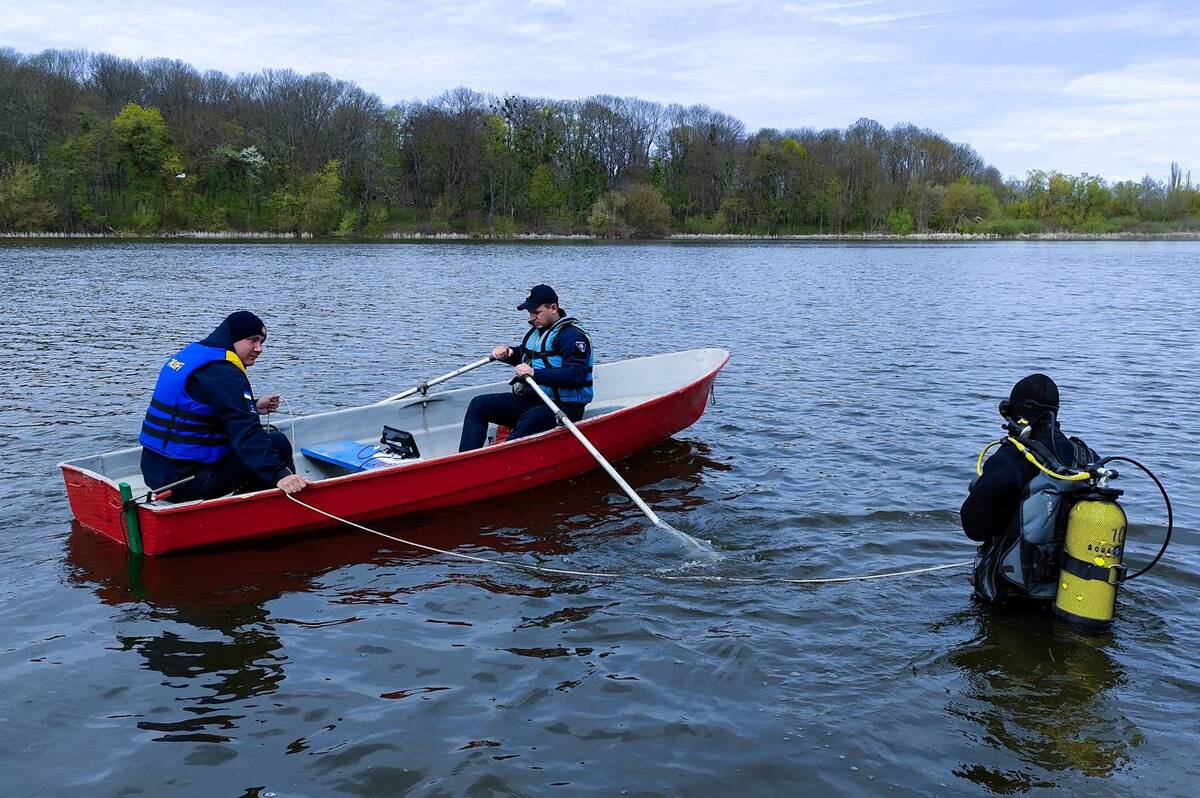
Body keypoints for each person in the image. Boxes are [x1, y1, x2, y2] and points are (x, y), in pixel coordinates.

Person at [139, 311, 310, 502]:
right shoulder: (225, 373)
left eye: (261, 342)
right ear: (234, 338)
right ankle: (280, 506)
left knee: (262, 445)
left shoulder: (193, 356)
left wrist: (254, 406)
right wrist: (280, 474)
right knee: (276, 443)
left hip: (156, 473)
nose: (259, 348)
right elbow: (247, 433)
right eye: (253, 340)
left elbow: (196, 408)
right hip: (185, 482)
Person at [960, 373, 1097, 604]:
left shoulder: (1010, 459)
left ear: (1017, 413)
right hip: (1077, 597)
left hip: (1013, 597)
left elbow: (974, 528)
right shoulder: (1086, 458)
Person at [458, 284, 594, 452]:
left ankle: (499, 461)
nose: (532, 317)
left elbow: (576, 376)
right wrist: (508, 353)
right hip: (534, 400)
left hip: (564, 406)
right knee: (479, 405)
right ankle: (467, 458)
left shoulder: (571, 336)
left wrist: (534, 373)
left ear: (553, 308)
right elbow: (527, 356)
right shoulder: (538, 332)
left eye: (536, 312)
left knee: (530, 419)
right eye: (530, 313)